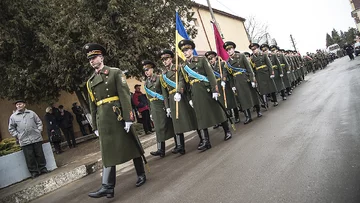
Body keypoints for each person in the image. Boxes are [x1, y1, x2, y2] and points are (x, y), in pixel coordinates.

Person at [83, 43, 146, 198]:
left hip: (117, 116)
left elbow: (124, 96)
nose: (92, 61)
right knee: (107, 152)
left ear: (102, 57)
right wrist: (95, 126)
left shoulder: (114, 73)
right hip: (103, 119)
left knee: (131, 144)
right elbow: (93, 105)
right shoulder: (90, 81)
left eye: (95, 57)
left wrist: (128, 118)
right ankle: (108, 186)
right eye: (90, 58)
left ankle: (141, 174)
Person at [178, 39, 232, 151]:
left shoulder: (201, 60)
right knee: (201, 117)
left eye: (187, 50)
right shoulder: (183, 67)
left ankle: (227, 131)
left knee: (216, 110)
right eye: (183, 51)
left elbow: (210, 75)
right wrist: (180, 92)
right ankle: (206, 141)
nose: (185, 52)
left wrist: (215, 90)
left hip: (206, 90)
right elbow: (183, 82)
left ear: (192, 50)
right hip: (195, 94)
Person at [159, 49, 203, 154]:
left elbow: (182, 80)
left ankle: (202, 138)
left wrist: (179, 91)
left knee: (191, 118)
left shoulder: (178, 68)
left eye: (167, 59)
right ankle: (180, 146)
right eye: (163, 60)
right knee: (176, 123)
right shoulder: (163, 74)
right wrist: (167, 106)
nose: (165, 61)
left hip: (182, 96)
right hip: (172, 99)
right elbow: (164, 92)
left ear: (171, 59)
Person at [141, 60, 176, 157]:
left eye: (148, 70)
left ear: (152, 69)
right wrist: (150, 112)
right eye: (145, 71)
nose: (146, 72)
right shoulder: (146, 83)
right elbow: (148, 99)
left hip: (162, 105)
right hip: (154, 107)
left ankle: (178, 144)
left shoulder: (159, 79)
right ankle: (161, 149)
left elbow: (164, 93)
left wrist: (167, 106)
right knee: (158, 128)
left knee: (168, 125)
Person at [224, 41, 261, 124]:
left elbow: (249, 68)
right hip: (237, 81)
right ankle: (248, 116)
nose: (229, 51)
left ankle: (258, 111)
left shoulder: (241, 56)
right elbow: (230, 75)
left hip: (246, 79)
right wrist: (232, 85)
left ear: (233, 49)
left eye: (230, 49)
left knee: (252, 96)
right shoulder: (228, 62)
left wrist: (252, 80)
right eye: (227, 50)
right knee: (242, 99)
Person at [8, 100, 48, 178]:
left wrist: (39, 131)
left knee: (40, 155)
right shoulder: (13, 117)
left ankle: (43, 168)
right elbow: (11, 128)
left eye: (20, 104)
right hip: (24, 140)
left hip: (36, 138)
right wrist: (18, 135)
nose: (18, 106)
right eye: (17, 105)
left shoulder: (31, 113)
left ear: (24, 105)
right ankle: (34, 172)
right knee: (29, 158)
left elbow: (39, 122)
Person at [205, 50, 240, 124]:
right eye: (209, 59)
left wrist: (223, 80)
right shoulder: (209, 67)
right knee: (223, 102)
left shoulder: (222, 64)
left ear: (215, 57)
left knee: (231, 101)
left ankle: (237, 116)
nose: (210, 60)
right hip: (217, 85)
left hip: (225, 84)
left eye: (211, 58)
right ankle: (227, 116)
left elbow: (225, 72)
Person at [249, 42, 278, 107]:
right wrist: (254, 78)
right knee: (262, 89)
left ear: (258, 49)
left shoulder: (264, 55)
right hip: (259, 74)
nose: (254, 50)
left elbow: (269, 64)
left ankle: (275, 100)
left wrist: (271, 72)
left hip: (266, 73)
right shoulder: (252, 59)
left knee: (271, 87)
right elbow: (252, 68)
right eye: (252, 50)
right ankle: (265, 103)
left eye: (255, 49)